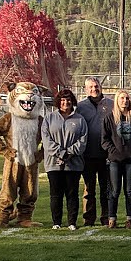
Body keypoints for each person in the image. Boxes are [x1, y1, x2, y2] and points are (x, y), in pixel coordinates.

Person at [41, 89, 87, 231]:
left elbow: (83, 140)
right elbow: (46, 140)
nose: (65, 103)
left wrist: (69, 153)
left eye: (68, 100)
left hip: (73, 165)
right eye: (62, 100)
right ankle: (57, 222)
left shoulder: (80, 119)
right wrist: (60, 153)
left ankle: (72, 222)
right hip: (53, 164)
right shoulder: (49, 118)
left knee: (72, 194)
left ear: (72, 101)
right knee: (56, 194)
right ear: (58, 102)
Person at [101, 90, 131, 229]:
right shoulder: (109, 118)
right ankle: (112, 218)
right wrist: (114, 153)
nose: (124, 101)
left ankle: (129, 219)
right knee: (114, 190)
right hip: (115, 161)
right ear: (117, 101)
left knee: (129, 190)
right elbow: (104, 140)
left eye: (127, 98)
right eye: (122, 98)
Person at [76, 77, 113, 226]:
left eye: (96, 86)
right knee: (89, 189)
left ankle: (106, 218)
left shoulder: (111, 104)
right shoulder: (81, 106)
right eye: (90, 87)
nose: (94, 89)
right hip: (88, 154)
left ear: (101, 86)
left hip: (106, 154)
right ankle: (89, 219)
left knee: (106, 188)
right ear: (86, 89)